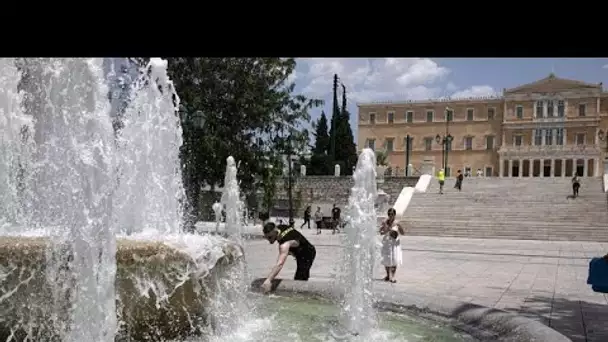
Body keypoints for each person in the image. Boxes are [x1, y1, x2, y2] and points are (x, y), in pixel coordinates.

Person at [261, 221, 317, 293]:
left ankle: (304, 298)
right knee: (301, 276)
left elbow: (280, 264)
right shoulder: (280, 227)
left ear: (275, 231)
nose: (269, 240)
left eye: (270, 237)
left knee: (299, 279)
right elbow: (295, 237)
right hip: (301, 250)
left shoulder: (285, 244)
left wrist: (268, 280)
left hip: (307, 254)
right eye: (267, 238)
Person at [379, 208, 405, 283]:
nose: (390, 215)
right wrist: (386, 229)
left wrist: (400, 227)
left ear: (394, 215)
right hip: (386, 243)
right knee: (386, 259)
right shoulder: (385, 222)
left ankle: (392, 276)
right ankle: (387, 275)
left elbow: (403, 233)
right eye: (389, 214)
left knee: (394, 259)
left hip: (395, 244)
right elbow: (381, 232)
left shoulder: (397, 223)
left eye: (392, 214)